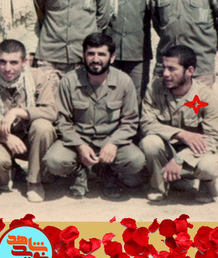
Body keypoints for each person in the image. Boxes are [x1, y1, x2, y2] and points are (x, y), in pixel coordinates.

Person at [43, 33, 144, 200]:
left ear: (112, 58)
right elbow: (62, 120)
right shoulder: (69, 81)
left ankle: (108, 172)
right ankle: (79, 171)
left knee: (136, 160)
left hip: (110, 140)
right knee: (54, 161)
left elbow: (130, 121)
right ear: (84, 56)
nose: (95, 59)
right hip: (78, 140)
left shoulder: (124, 81)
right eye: (91, 54)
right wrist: (80, 145)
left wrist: (113, 143)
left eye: (101, 54)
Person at [0, 40, 58, 203]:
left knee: (43, 126)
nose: (8, 68)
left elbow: (51, 111)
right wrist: (4, 137)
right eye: (3, 62)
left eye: (14, 62)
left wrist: (18, 111)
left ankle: (34, 181)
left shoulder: (37, 77)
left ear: (24, 62)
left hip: (31, 139)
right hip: (3, 140)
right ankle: (8, 170)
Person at [139, 45, 218, 203]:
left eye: (172, 69)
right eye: (164, 68)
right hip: (166, 151)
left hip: (193, 155)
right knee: (150, 142)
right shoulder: (155, 88)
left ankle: (206, 185)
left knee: (211, 165)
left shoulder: (206, 96)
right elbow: (146, 123)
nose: (165, 74)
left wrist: (180, 159)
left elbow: (214, 139)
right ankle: (159, 186)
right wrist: (181, 134)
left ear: (189, 71)